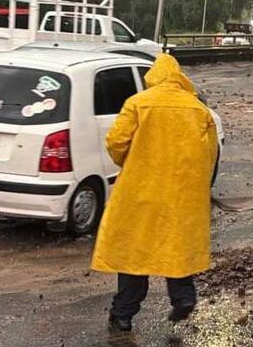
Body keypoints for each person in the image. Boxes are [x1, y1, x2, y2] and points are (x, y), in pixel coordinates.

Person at [91, 54, 219, 332]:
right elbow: (209, 155)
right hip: (181, 195)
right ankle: (183, 298)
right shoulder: (198, 110)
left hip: (140, 192)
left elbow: (116, 142)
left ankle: (123, 314)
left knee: (134, 254)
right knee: (178, 249)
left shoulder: (138, 104)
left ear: (153, 77)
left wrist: (130, 160)